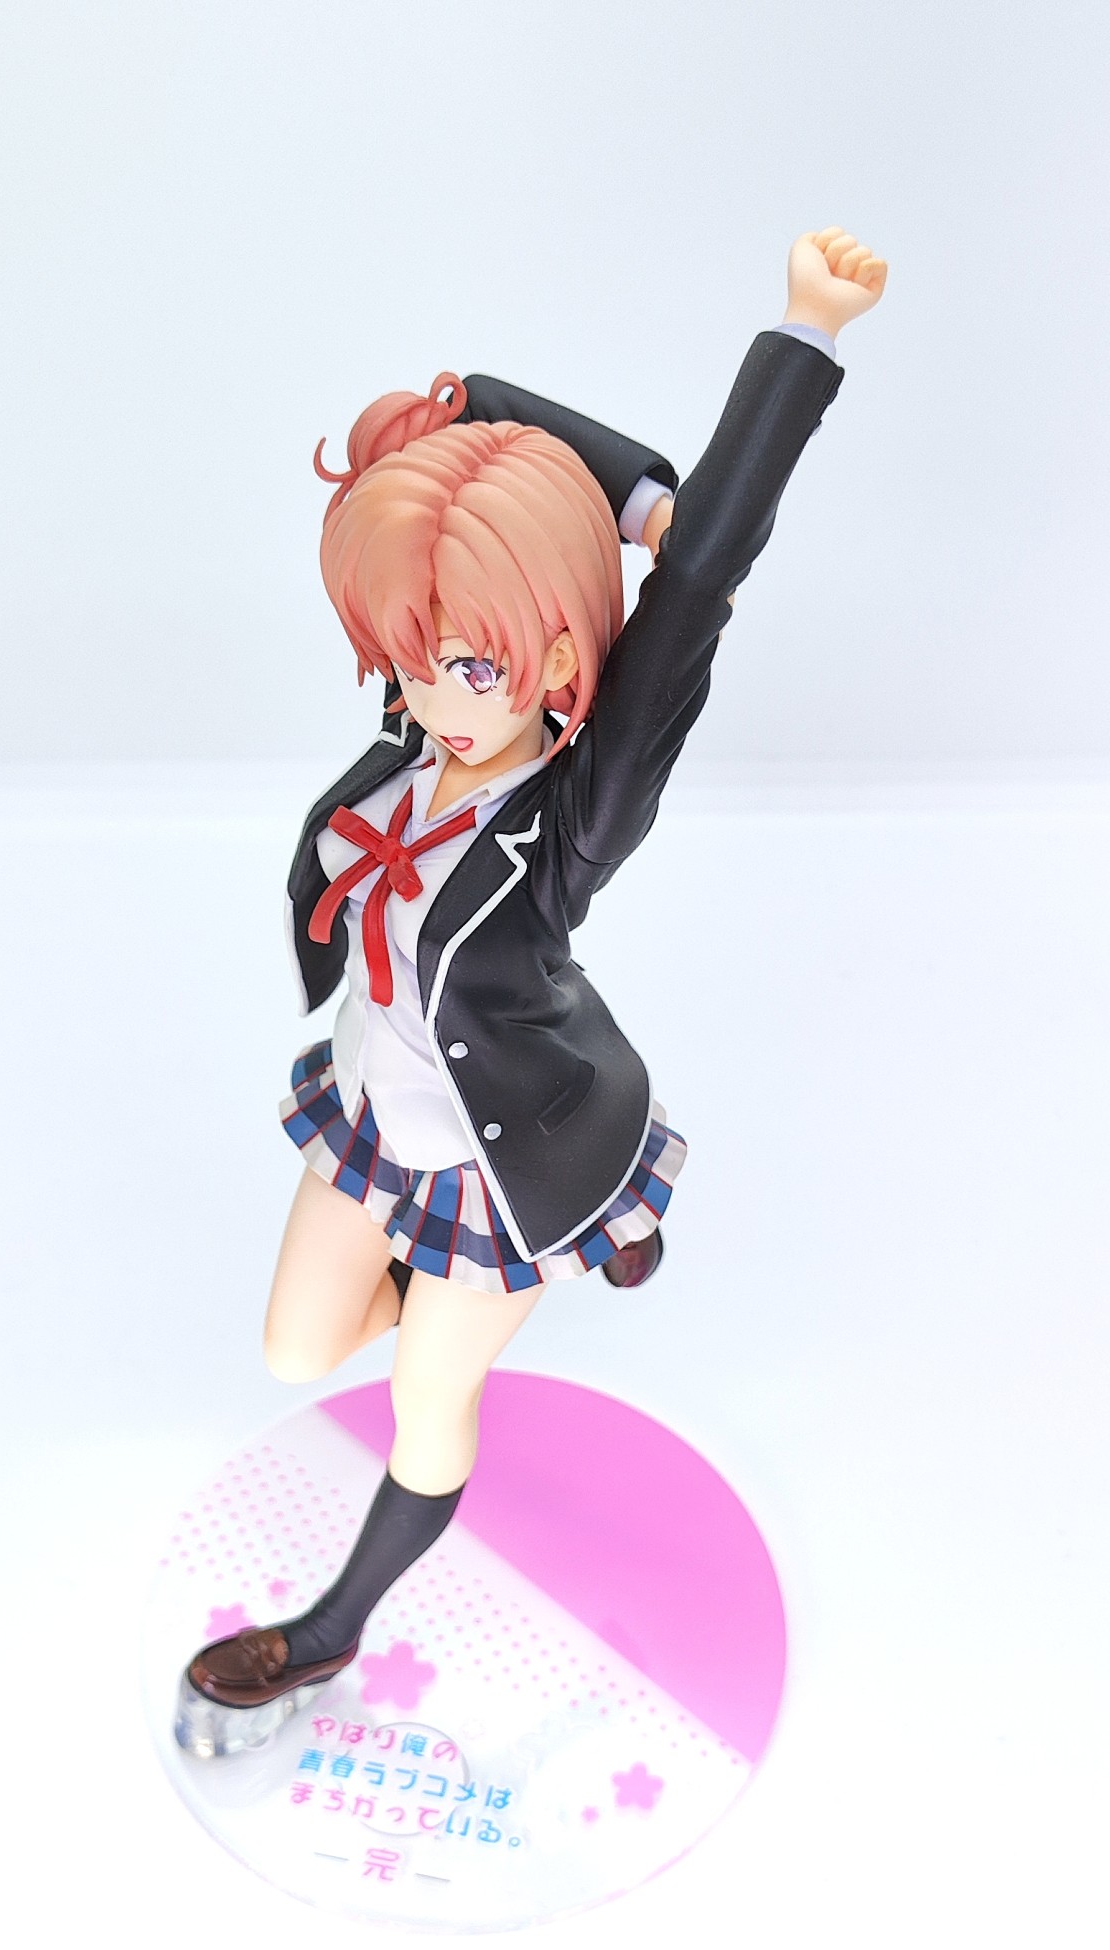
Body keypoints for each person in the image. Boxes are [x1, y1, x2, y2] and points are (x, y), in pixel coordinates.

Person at [175, 228, 887, 1755]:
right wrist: (563, 469)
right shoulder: (412, 741)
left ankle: (330, 1628)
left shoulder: (574, 813)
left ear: (558, 652)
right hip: (376, 1118)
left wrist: (803, 335)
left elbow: (697, 578)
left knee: (427, 1404)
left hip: (500, 1161)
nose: (436, 694)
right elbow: (466, 405)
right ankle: (541, 1270)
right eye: (413, 658)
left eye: (475, 667)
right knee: (295, 1349)